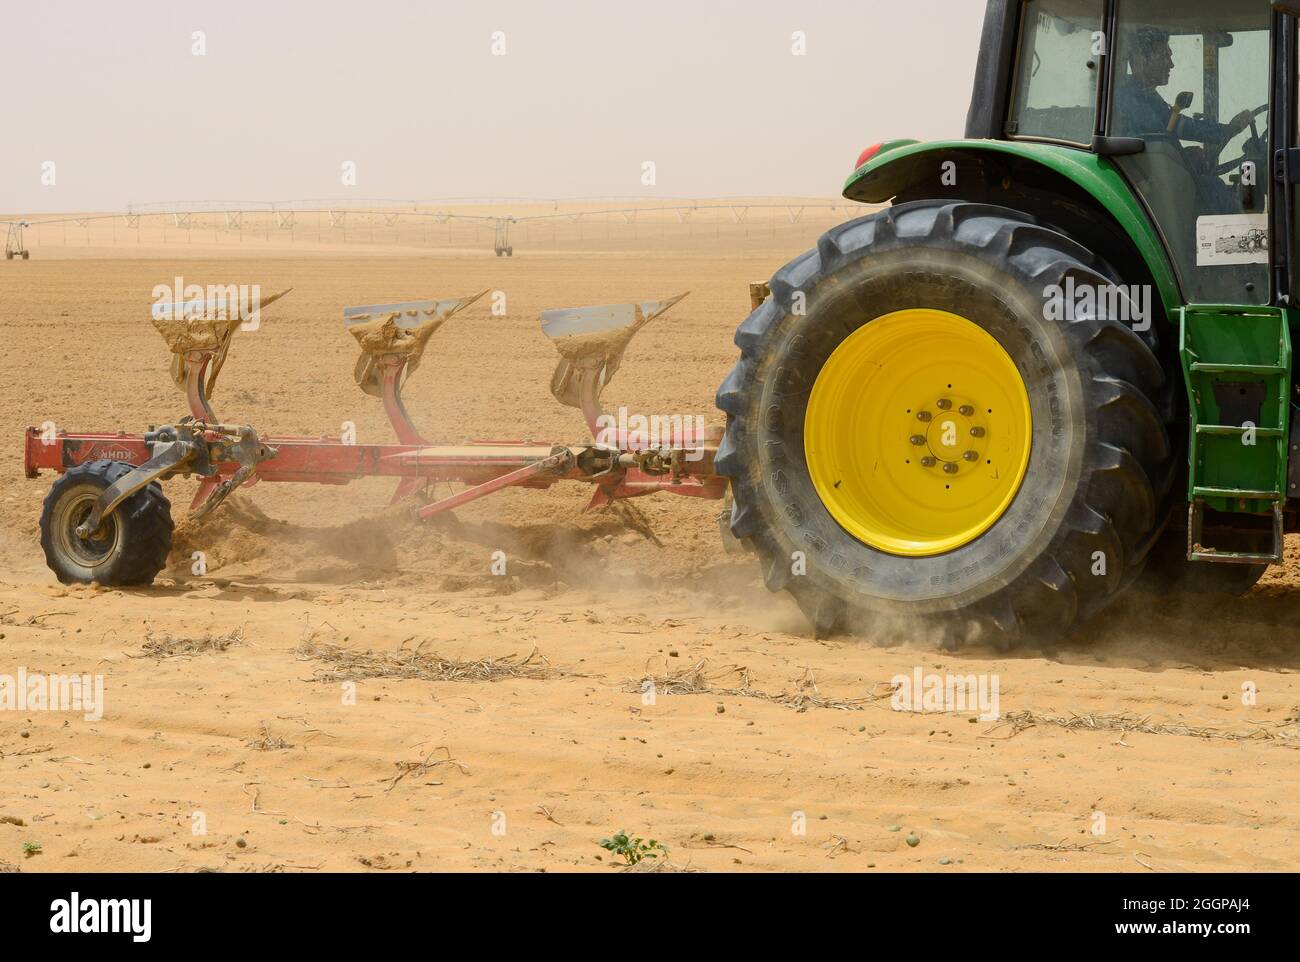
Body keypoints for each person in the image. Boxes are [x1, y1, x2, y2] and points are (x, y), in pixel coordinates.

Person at [1113, 27, 1254, 145]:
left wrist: (1226, 131)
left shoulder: (1147, 96)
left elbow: (1176, 128)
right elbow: (1153, 150)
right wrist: (1227, 130)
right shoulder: (1128, 101)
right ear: (1141, 60)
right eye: (1164, 56)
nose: (1171, 64)